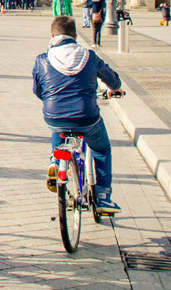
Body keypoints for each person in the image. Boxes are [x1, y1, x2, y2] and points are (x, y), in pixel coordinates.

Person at [33, 15, 124, 214]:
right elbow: (114, 82)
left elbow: (38, 91)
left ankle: (55, 162)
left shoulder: (42, 59)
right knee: (101, 149)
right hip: (86, 116)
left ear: (52, 35)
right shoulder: (89, 56)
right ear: (75, 35)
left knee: (59, 125)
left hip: (54, 114)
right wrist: (115, 87)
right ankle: (102, 196)